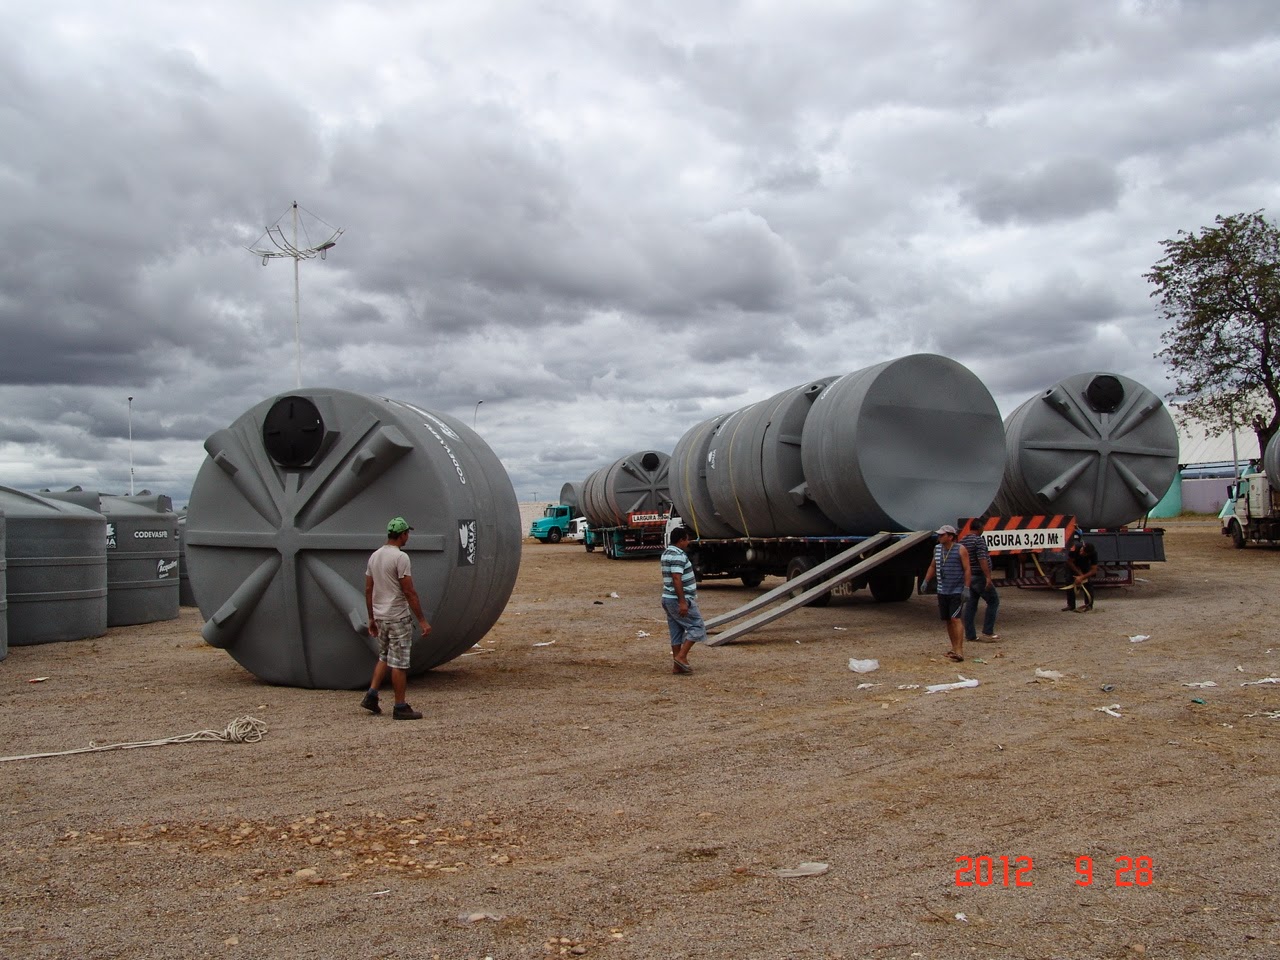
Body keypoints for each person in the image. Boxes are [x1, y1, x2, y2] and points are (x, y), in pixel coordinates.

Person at [361, 517, 432, 719]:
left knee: (384, 656)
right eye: (407, 533)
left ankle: (372, 695)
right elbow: (409, 591)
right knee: (399, 663)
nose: (408, 536)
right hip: (397, 616)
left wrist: (371, 618)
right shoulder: (401, 558)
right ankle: (400, 707)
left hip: (381, 616)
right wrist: (422, 620)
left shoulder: (374, 556)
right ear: (402, 535)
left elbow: (368, 589)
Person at [661, 526, 706, 674]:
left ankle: (677, 667)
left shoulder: (666, 553)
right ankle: (681, 657)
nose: (688, 542)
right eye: (687, 539)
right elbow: (676, 578)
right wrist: (682, 602)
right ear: (681, 540)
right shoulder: (679, 556)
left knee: (676, 631)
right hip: (678, 599)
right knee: (697, 626)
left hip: (667, 598)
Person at [922, 524, 971, 662]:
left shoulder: (960, 550)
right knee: (948, 620)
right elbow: (933, 565)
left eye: (942, 535)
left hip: (956, 590)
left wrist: (966, 588)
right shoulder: (937, 549)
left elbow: (967, 569)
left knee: (956, 618)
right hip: (942, 590)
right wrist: (926, 580)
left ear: (950, 536)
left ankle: (960, 650)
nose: (939, 537)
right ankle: (954, 647)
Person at [960, 522, 1000, 642]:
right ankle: (988, 632)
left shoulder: (963, 540)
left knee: (971, 605)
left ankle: (970, 634)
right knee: (993, 601)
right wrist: (988, 576)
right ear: (980, 528)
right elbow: (982, 558)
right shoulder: (978, 540)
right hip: (979, 576)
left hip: (969, 577)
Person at [1063, 530, 1099, 612]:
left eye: (1084, 553)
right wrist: (1079, 574)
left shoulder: (1094, 554)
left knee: (1088, 584)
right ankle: (1071, 605)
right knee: (1069, 581)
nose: (1081, 552)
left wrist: (1082, 577)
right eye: (1081, 550)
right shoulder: (1075, 548)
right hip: (1072, 566)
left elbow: (1094, 570)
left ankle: (1089, 605)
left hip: (1084, 565)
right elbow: (1069, 561)